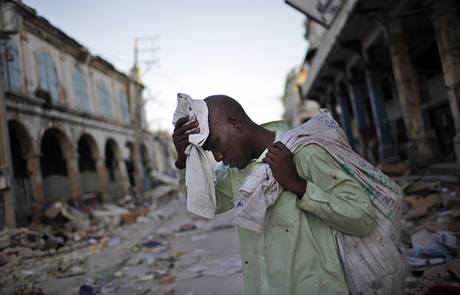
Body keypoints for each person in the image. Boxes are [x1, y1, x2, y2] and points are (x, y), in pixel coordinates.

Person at [173, 95, 376, 295]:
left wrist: (298, 185)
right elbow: (208, 203)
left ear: (235, 123)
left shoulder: (304, 152)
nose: (217, 156)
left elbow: (363, 218)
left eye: (215, 144)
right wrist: (184, 161)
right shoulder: (233, 171)